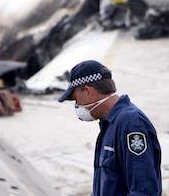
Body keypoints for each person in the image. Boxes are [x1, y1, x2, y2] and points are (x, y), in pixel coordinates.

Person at [58, 60, 162, 196]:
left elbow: (144, 191)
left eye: (76, 99)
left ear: (87, 91)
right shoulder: (109, 124)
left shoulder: (131, 124)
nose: (77, 105)